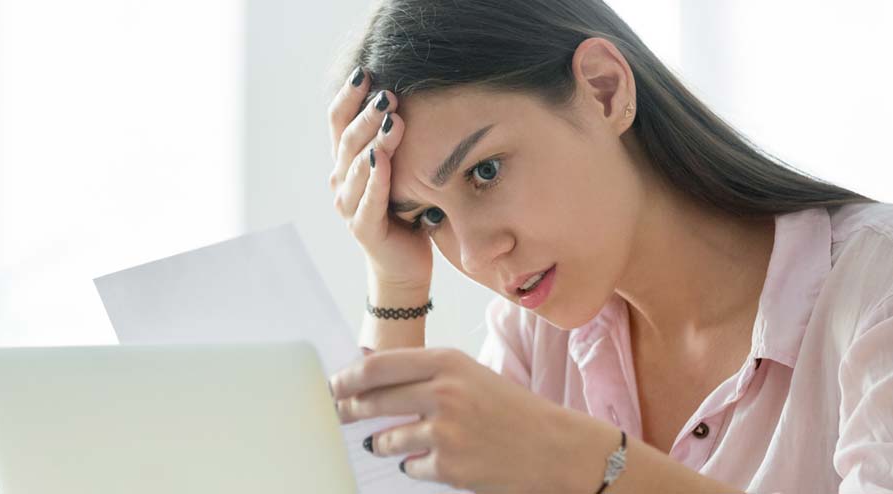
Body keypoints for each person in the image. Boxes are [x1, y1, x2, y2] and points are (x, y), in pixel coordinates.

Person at [325, 1, 893, 492]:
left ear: (604, 89)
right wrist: (395, 283)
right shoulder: (534, 341)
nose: (475, 255)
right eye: (429, 216)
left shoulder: (875, 291)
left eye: (486, 170)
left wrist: (584, 460)